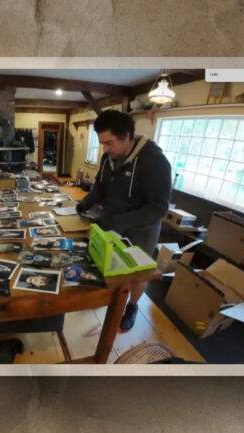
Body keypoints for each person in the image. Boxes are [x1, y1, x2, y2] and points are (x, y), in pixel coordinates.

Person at [76, 109, 172, 331]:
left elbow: (159, 208)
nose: (105, 149)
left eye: (109, 143)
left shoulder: (155, 161)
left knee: (137, 274)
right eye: (102, 143)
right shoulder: (109, 156)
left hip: (142, 229)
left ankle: (132, 306)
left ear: (128, 136)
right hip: (112, 220)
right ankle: (111, 299)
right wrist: (87, 202)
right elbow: (100, 186)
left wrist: (118, 221)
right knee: (107, 262)